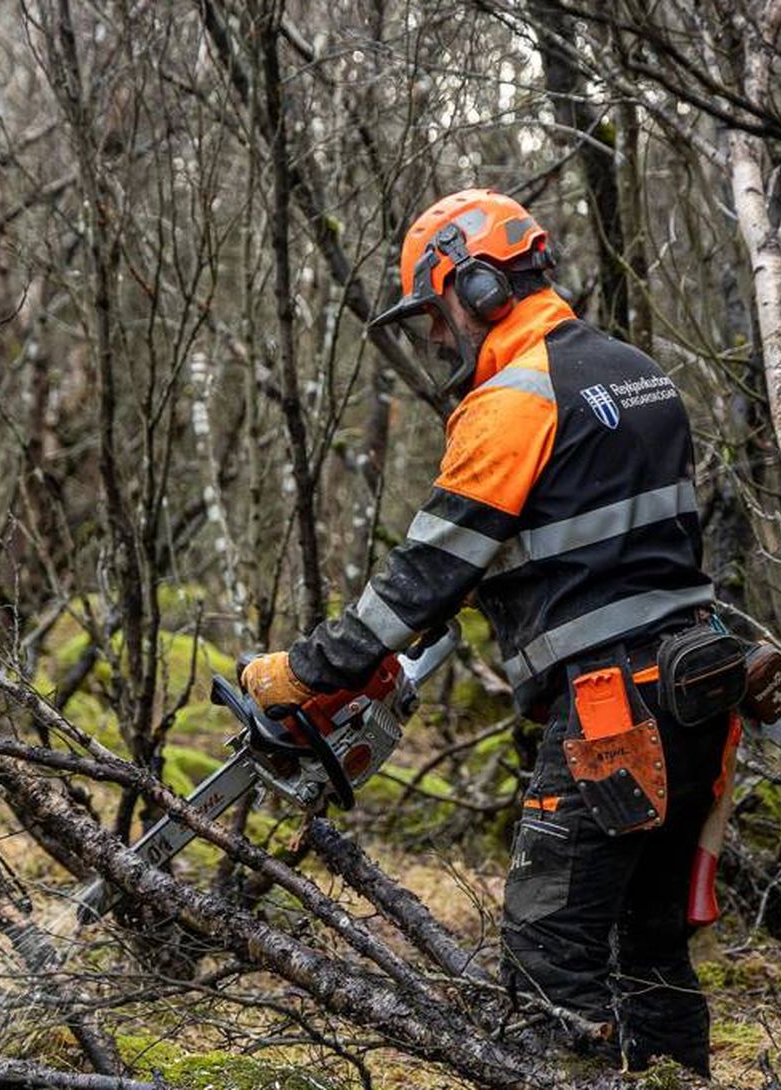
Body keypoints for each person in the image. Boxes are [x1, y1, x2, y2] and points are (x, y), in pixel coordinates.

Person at [238, 188, 731, 1076]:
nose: (435, 337)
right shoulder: (638, 372)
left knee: (549, 950)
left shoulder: (516, 398)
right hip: (696, 683)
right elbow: (582, 548)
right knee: (647, 949)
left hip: (613, 706)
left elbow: (428, 569)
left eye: (437, 310)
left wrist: (308, 671)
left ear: (478, 283)